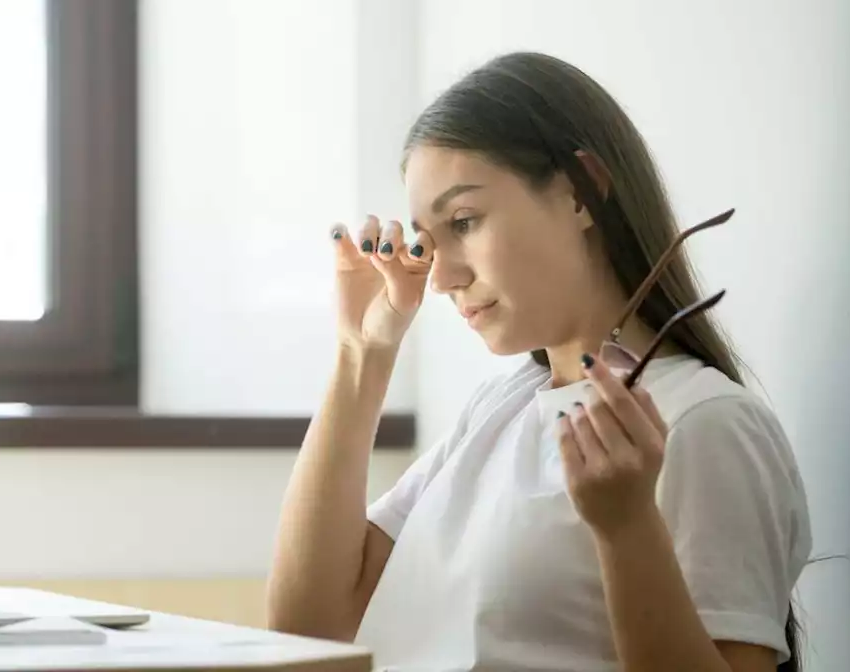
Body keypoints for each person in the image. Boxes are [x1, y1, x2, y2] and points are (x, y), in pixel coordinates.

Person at [266, 51, 813, 672]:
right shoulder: (500, 409)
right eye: (427, 240)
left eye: (464, 221)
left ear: (583, 191)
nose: (441, 275)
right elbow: (307, 627)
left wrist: (626, 527)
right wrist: (361, 352)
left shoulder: (705, 424)